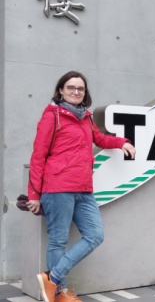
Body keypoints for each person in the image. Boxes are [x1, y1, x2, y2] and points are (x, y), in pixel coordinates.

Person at [26, 71, 136, 302]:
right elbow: (38, 156)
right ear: (60, 90)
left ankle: (52, 278)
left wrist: (122, 141)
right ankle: (59, 294)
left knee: (95, 235)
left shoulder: (85, 117)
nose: (76, 92)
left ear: (85, 92)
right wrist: (33, 195)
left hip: (84, 188)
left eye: (80, 88)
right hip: (58, 187)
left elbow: (101, 139)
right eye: (71, 87)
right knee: (58, 241)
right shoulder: (52, 116)